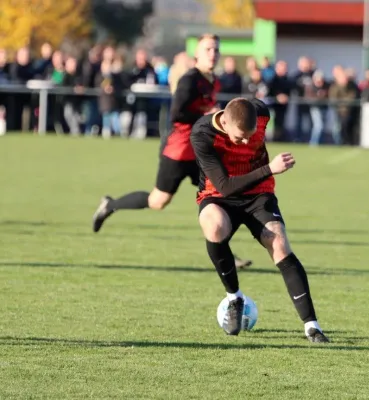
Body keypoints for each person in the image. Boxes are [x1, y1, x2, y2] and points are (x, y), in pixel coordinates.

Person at [92, 34, 252, 269]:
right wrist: (208, 115)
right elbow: (177, 113)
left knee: (220, 195)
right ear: (197, 54)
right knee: (158, 201)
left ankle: (226, 253)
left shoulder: (212, 81)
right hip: (178, 151)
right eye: (208, 49)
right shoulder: (190, 80)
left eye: (216, 50)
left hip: (199, 151)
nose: (213, 53)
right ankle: (110, 205)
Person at [190, 97, 329, 343]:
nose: (246, 142)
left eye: (250, 136)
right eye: (239, 137)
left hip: (258, 193)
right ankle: (234, 298)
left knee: (279, 243)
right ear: (224, 121)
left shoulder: (261, 112)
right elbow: (225, 186)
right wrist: (270, 168)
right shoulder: (202, 134)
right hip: (219, 194)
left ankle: (312, 326)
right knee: (214, 225)